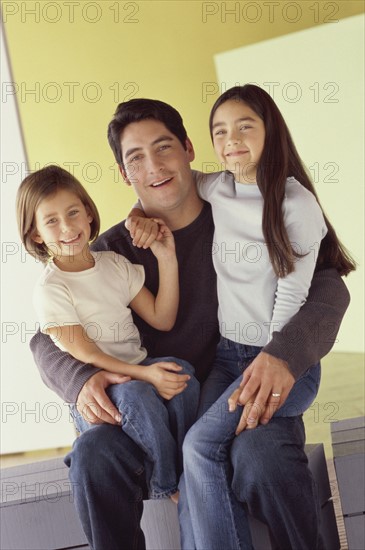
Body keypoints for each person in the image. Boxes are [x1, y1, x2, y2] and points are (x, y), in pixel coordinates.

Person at [29, 98, 351, 550]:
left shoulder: (238, 204)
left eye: (164, 148)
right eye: (135, 158)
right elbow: (45, 334)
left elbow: (328, 286)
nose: (154, 166)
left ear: (188, 148)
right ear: (124, 174)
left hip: (247, 380)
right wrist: (79, 379)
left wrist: (286, 353)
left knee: (261, 457)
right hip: (154, 417)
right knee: (93, 455)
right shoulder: (109, 252)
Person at [16, 165, 199, 503]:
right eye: (51, 221)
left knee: (183, 374)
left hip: (136, 367)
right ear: (37, 233)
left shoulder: (113, 264)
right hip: (105, 383)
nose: (68, 227)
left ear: (88, 213)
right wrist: (145, 374)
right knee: (139, 398)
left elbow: (162, 318)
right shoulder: (51, 289)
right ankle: (166, 485)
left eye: (73, 212)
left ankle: (188, 467)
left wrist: (167, 258)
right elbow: (88, 354)